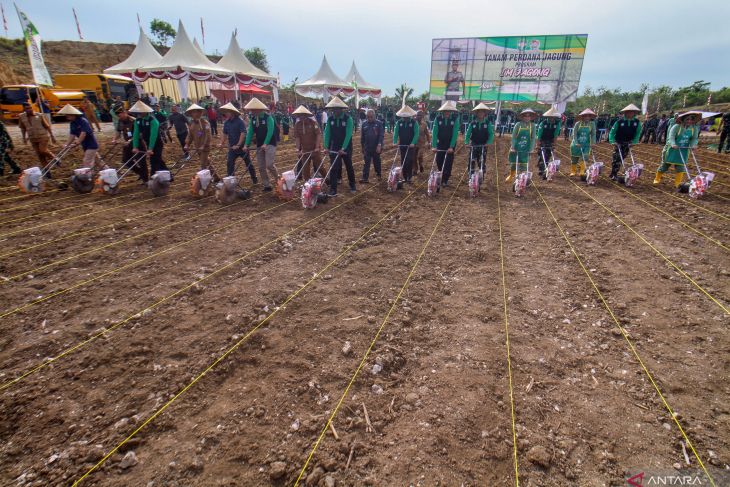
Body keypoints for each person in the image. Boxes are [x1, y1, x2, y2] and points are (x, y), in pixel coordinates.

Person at [654, 111, 701, 187]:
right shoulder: (676, 127)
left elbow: (694, 138)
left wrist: (693, 145)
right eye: (687, 119)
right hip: (671, 149)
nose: (689, 121)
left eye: (691, 119)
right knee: (665, 166)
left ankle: (678, 183)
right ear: (683, 119)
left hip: (683, 150)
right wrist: (673, 144)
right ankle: (657, 179)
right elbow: (671, 137)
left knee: (681, 167)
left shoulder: (694, 128)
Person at [243, 97, 278, 192]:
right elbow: (250, 132)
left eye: (253, 109)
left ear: (258, 109)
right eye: (251, 109)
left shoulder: (268, 117)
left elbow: (270, 131)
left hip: (270, 143)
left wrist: (265, 143)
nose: (251, 111)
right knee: (261, 167)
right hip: (259, 144)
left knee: (269, 164)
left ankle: (278, 180)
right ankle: (267, 185)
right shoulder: (253, 119)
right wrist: (246, 144)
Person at [323, 96, 356, 195]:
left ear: (341, 109)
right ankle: (333, 189)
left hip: (346, 147)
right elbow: (327, 133)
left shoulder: (348, 119)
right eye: (333, 109)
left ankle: (352, 184)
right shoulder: (330, 119)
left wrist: (343, 148)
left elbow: (348, 134)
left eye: (337, 109)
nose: (335, 111)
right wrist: (326, 147)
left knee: (348, 165)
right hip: (334, 146)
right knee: (334, 167)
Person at [219, 102, 257, 182]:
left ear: (232, 112)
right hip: (232, 147)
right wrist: (221, 143)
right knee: (230, 163)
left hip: (242, 147)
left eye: (227, 112)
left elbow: (243, 133)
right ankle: (230, 181)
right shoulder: (226, 123)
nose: (226, 113)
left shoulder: (240, 121)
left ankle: (254, 178)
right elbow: (224, 134)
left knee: (248, 163)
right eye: (225, 112)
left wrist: (239, 144)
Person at [129, 100, 168, 177]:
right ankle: (168, 176)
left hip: (157, 143)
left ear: (145, 111)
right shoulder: (137, 121)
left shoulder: (153, 121)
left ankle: (152, 178)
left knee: (154, 161)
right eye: (138, 112)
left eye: (140, 112)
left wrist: (150, 148)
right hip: (147, 142)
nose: (139, 113)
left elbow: (153, 135)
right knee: (158, 160)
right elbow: (136, 134)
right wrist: (135, 146)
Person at [58, 104, 102, 171]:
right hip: (85, 145)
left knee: (86, 161)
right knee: (99, 161)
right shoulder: (72, 123)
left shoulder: (83, 121)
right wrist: (66, 144)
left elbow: (83, 133)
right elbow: (72, 135)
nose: (66, 116)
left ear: (73, 114)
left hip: (91, 144)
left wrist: (77, 142)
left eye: (68, 115)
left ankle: (88, 177)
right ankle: (110, 174)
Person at [18, 102, 57, 176]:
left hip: (43, 136)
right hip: (32, 138)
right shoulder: (21, 117)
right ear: (24, 109)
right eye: (27, 109)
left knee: (43, 150)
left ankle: (55, 158)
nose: (29, 110)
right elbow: (23, 128)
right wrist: (24, 137)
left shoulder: (39, 115)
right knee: (40, 155)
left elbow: (47, 126)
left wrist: (52, 136)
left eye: (30, 108)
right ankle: (47, 171)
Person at [112, 107, 147, 184]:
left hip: (138, 143)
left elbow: (139, 134)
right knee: (125, 160)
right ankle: (140, 172)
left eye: (120, 115)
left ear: (125, 112)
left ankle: (146, 180)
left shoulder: (134, 121)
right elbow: (118, 131)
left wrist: (130, 141)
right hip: (127, 144)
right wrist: (114, 139)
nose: (119, 117)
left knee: (141, 161)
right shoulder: (120, 121)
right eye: (118, 116)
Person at [608, 104, 642, 180]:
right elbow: (612, 132)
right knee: (616, 158)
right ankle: (614, 173)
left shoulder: (637, 122)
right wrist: (612, 141)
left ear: (634, 113)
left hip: (629, 143)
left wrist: (634, 142)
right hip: (619, 142)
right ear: (625, 113)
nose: (629, 114)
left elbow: (638, 133)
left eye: (631, 112)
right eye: (628, 112)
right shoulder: (619, 122)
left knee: (623, 157)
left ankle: (618, 173)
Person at [431, 100, 460, 187]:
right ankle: (441, 174)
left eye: (448, 111)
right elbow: (435, 132)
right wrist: (434, 146)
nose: (447, 112)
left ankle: (445, 179)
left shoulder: (455, 119)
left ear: (451, 111)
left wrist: (451, 146)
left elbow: (455, 133)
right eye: (445, 111)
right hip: (440, 143)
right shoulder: (438, 119)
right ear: (443, 111)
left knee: (448, 162)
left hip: (450, 144)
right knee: (439, 160)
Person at [291, 105, 323, 180]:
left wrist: (317, 147)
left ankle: (327, 181)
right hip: (305, 150)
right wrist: (298, 149)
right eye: (299, 116)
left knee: (320, 167)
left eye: (303, 116)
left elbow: (318, 134)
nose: (301, 118)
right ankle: (308, 185)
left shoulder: (313, 123)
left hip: (314, 149)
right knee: (305, 170)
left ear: (306, 115)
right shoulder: (297, 125)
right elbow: (297, 138)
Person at [507, 109, 537, 182]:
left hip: (526, 148)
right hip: (516, 147)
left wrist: (531, 148)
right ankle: (511, 175)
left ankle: (522, 180)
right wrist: (513, 147)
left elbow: (533, 138)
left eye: (528, 116)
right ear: (522, 117)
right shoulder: (518, 125)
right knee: (514, 163)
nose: (527, 117)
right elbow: (514, 136)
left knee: (524, 164)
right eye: (525, 116)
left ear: (530, 117)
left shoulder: (532, 125)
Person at [464, 103, 494, 177]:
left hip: (483, 144)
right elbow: (468, 134)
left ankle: (482, 173)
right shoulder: (473, 123)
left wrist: (489, 142)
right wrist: (466, 142)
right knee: (472, 159)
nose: (480, 114)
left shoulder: (487, 123)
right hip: (474, 144)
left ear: (484, 114)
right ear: (476, 113)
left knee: (482, 160)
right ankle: (470, 174)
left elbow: (491, 134)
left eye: (482, 112)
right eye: (479, 112)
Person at [393, 105, 419, 183]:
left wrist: (413, 143)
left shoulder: (414, 122)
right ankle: (404, 176)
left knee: (409, 160)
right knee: (403, 160)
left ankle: (409, 177)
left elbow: (416, 134)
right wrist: (395, 142)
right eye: (404, 116)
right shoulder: (399, 122)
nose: (405, 117)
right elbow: (396, 133)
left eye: (406, 116)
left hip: (411, 145)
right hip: (402, 144)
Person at [184, 104, 213, 172]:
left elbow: (208, 135)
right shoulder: (192, 124)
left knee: (203, 164)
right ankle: (216, 177)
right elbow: (190, 135)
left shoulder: (205, 123)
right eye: (193, 112)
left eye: (197, 112)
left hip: (205, 147)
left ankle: (205, 181)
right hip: (197, 146)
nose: (195, 114)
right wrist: (187, 144)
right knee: (206, 161)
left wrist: (204, 145)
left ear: (200, 113)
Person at [570, 109, 597, 177]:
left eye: (588, 116)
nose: (587, 118)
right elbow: (574, 134)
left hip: (586, 144)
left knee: (585, 157)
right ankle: (573, 171)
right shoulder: (578, 124)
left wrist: (593, 143)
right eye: (585, 116)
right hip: (576, 144)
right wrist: (576, 142)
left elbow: (593, 134)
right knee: (574, 158)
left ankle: (582, 171)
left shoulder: (592, 124)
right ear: (582, 117)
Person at [536, 107, 561, 178]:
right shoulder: (543, 123)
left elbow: (556, 134)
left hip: (550, 140)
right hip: (542, 140)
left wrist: (554, 144)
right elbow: (539, 135)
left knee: (549, 154)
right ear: (548, 116)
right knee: (542, 154)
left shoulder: (557, 124)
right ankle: (541, 169)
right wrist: (538, 144)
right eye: (551, 117)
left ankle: (546, 168)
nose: (552, 118)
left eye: (553, 117)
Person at [359, 109, 383, 183]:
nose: (369, 118)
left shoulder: (379, 123)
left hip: (376, 147)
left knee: (377, 162)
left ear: (374, 116)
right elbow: (362, 136)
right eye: (368, 117)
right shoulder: (364, 124)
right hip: (367, 147)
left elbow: (381, 135)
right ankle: (365, 178)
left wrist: (379, 145)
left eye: (371, 117)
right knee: (366, 162)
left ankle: (378, 174)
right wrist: (362, 147)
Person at [414, 110, 431, 174]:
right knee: (413, 157)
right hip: (414, 143)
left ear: (422, 116)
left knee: (419, 156)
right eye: (418, 115)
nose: (418, 116)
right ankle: (415, 170)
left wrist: (429, 142)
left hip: (421, 143)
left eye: (420, 115)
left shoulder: (424, 124)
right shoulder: (413, 123)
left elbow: (427, 134)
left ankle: (421, 164)